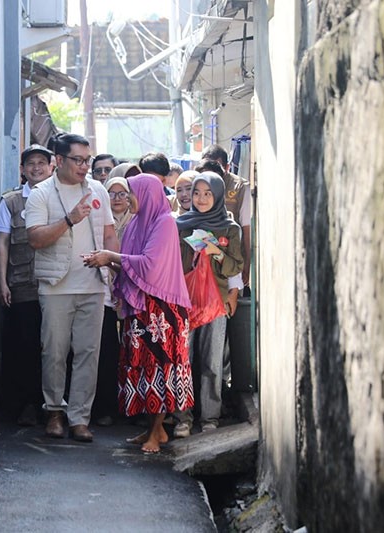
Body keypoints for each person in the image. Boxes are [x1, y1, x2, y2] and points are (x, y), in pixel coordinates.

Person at [83, 173, 194, 453]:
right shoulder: (135, 224)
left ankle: (157, 432)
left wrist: (110, 257)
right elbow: (132, 267)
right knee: (141, 367)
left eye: (131, 193)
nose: (128, 198)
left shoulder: (165, 223)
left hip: (163, 311)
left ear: (146, 194)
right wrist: (106, 261)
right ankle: (150, 430)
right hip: (140, 308)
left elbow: (150, 265)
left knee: (159, 367)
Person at [25, 133, 119, 442]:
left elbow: (108, 234)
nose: (84, 166)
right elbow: (36, 239)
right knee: (54, 351)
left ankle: (80, 418)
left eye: (87, 160)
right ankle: (54, 411)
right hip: (56, 285)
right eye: (78, 160)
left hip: (93, 285)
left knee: (88, 354)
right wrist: (70, 218)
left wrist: (112, 268)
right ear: (59, 161)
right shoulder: (41, 194)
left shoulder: (98, 190)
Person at [173, 172, 243, 437]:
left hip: (216, 302)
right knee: (184, 361)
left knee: (212, 362)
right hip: (184, 301)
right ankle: (182, 418)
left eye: (207, 193)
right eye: (197, 193)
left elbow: (236, 264)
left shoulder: (230, 227)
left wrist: (215, 251)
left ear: (217, 195)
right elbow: (173, 265)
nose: (201, 199)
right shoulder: (180, 225)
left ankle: (210, 417)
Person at [0, 144, 54, 426]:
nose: (36, 168)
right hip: (22, 285)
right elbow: (3, 242)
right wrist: (1, 281)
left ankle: (51, 405)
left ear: (51, 166)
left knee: (53, 348)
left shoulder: (60, 199)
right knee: (24, 346)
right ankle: (26, 404)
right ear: (22, 169)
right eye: (31, 163)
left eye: (42, 162)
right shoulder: (10, 202)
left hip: (54, 285)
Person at [91, 176, 134, 426]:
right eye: (112, 193)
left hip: (130, 294)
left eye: (122, 193)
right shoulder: (98, 219)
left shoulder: (138, 223)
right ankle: (102, 407)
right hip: (102, 292)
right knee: (104, 351)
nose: (117, 199)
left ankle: (127, 406)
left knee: (127, 354)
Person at [201, 144, 252, 285]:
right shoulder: (198, 185)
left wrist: (247, 266)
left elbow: (247, 230)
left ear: (227, 167)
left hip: (231, 260)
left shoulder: (240, 187)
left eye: (215, 167)